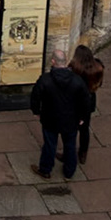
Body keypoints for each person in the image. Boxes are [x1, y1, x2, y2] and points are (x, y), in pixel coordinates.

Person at [28, 47, 92, 180]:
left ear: (53, 61)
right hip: (71, 119)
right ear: (66, 61)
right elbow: (86, 100)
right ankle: (69, 172)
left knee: (49, 145)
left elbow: (35, 97)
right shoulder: (77, 80)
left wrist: (36, 112)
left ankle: (45, 170)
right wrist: (82, 116)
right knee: (70, 145)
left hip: (50, 118)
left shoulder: (45, 80)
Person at [70, 45, 105, 166]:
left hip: (76, 101)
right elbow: (100, 83)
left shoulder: (76, 69)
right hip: (89, 100)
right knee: (84, 129)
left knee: (71, 129)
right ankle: (83, 152)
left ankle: (68, 153)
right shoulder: (98, 66)